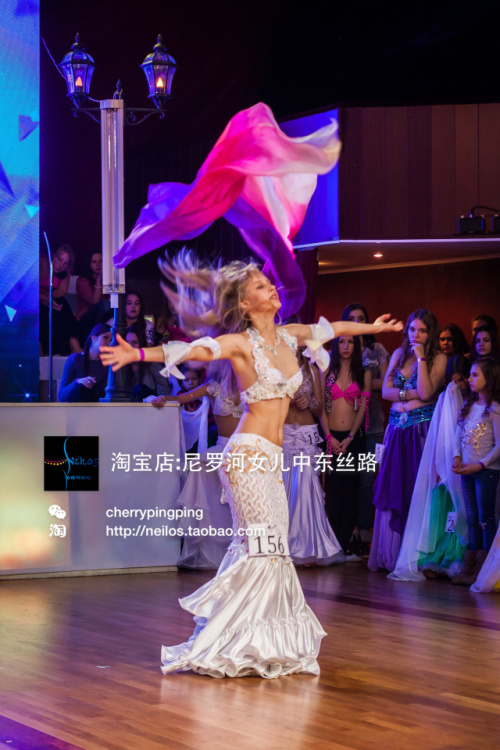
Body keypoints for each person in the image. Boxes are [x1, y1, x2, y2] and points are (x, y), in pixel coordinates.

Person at [100, 253, 402, 678]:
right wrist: (138, 354)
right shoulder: (242, 344)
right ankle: (239, 643)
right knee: (266, 547)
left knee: (269, 548)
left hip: (272, 459)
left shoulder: (290, 336)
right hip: (245, 457)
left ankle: (254, 641)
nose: (271, 288)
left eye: (268, 283)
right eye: (260, 286)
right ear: (244, 303)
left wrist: (374, 328)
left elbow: (333, 329)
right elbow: (194, 349)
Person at [368, 309, 447, 573]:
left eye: (422, 330)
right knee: (392, 486)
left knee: (415, 487)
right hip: (395, 430)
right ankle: (390, 554)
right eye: (413, 329)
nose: (416, 335)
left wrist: (422, 359)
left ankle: (412, 556)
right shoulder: (398, 354)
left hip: (419, 431)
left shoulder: (439, 358)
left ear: (431, 333)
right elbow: (386, 391)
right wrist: (409, 394)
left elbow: (427, 391)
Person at [388, 355, 470, 582]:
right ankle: (439, 558)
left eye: (462, 379)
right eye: (454, 380)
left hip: (470, 464)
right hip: (449, 465)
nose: (458, 385)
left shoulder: (475, 403)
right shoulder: (446, 399)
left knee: (462, 512)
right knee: (444, 512)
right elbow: (440, 437)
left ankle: (460, 558)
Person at [153, 364, 241, 569]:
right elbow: (183, 398)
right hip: (223, 447)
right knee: (199, 466)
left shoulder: (252, 387)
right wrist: (163, 398)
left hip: (247, 449)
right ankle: (211, 548)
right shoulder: (212, 387)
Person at [283, 349, 344, 566]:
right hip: (283, 432)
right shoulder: (275, 368)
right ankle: (283, 546)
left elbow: (319, 410)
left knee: (306, 487)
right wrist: (286, 400)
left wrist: (309, 400)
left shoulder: (312, 369)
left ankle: (309, 547)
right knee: (283, 487)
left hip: (306, 433)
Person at [341, 303, 389, 556]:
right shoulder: (342, 347)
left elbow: (387, 383)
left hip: (374, 426)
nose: (356, 322)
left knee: (368, 477)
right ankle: (348, 531)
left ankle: (365, 530)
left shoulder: (376, 349)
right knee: (348, 477)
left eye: (361, 318)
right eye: (351, 318)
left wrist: (362, 382)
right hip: (347, 425)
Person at [321, 334, 371, 558]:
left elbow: (363, 408)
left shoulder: (363, 373)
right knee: (332, 491)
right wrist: (328, 436)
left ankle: (343, 545)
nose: (345, 346)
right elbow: (321, 408)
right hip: (330, 437)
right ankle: (331, 544)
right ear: (335, 344)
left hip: (353, 438)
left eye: (350, 342)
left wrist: (350, 437)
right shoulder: (326, 372)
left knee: (350, 490)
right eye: (341, 342)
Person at [451, 357, 500, 585]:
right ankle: (470, 565)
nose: (469, 379)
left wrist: (480, 465)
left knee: (485, 518)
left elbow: (499, 446)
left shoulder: (495, 409)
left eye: (475, 375)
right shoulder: (469, 405)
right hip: (467, 470)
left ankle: (484, 567)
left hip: (485, 472)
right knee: (471, 519)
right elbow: (458, 434)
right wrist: (457, 456)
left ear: (489, 378)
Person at [58, 324, 111, 402]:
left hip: (98, 408)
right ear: (94, 338)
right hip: (76, 407)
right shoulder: (74, 359)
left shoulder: (109, 364)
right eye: (105, 337)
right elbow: (61, 397)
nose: (109, 342)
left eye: (111, 340)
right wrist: (77, 382)